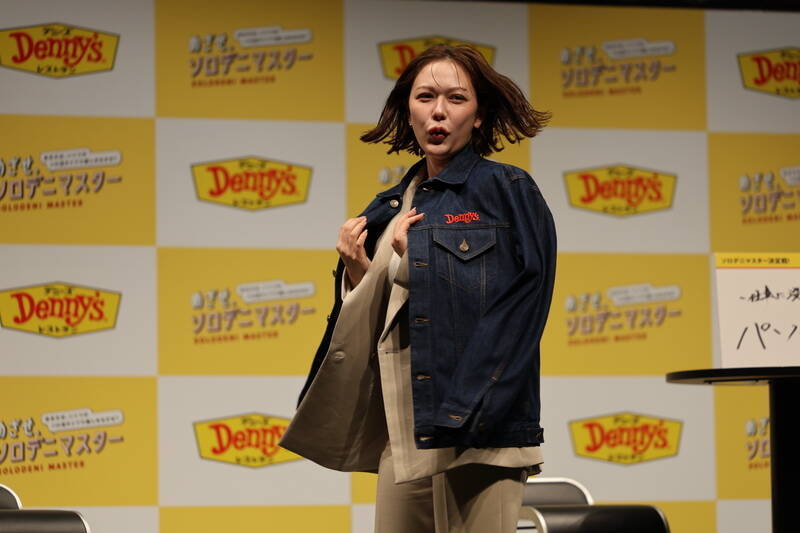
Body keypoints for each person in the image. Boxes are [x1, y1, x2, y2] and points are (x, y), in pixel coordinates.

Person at [280, 44, 556, 533]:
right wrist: (359, 272)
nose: (439, 111)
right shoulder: (392, 203)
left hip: (479, 423)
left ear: (479, 115)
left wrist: (418, 262)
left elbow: (518, 307)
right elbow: (386, 317)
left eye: (456, 98)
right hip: (406, 428)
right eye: (425, 97)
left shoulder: (507, 189)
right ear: (408, 111)